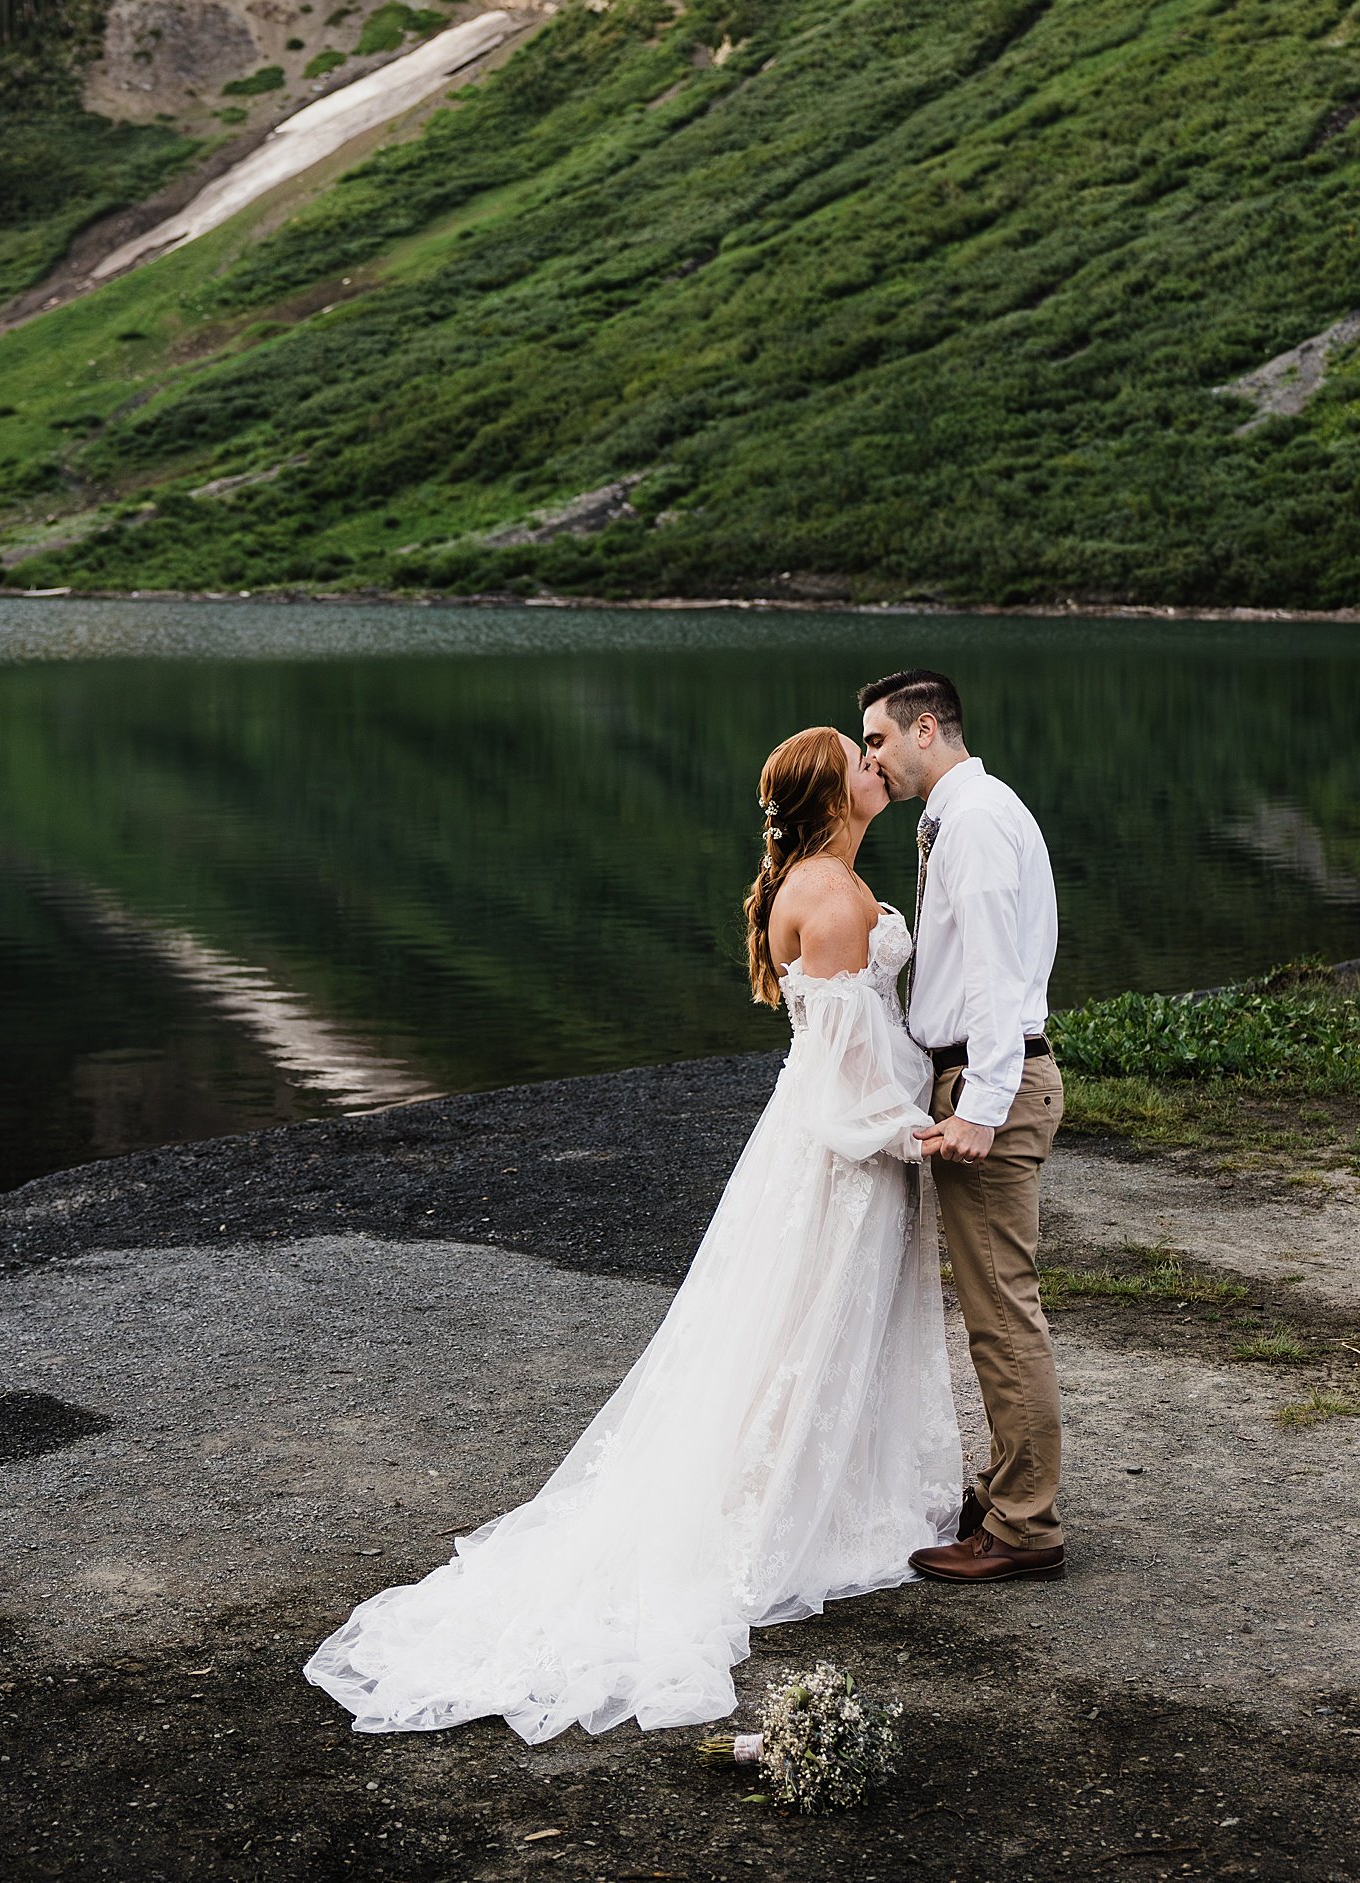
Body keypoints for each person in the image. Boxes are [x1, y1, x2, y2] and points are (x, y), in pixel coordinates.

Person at [303, 726, 959, 1744]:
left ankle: (826, 1492)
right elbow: (847, 1067)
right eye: (858, 757)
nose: (878, 764)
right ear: (833, 792)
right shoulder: (832, 897)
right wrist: (909, 1132)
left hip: (823, 1146)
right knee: (807, 1324)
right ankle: (800, 1509)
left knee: (800, 1327)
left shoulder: (827, 878)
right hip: (841, 1155)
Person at [858, 668, 1066, 1582]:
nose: (872, 757)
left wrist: (980, 1104)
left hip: (995, 1086)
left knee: (1001, 1317)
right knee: (993, 1310)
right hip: (983, 1076)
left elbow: (988, 971)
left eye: (876, 739)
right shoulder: (966, 809)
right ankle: (1003, 1495)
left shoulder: (975, 818)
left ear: (926, 727)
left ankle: (1025, 1528)